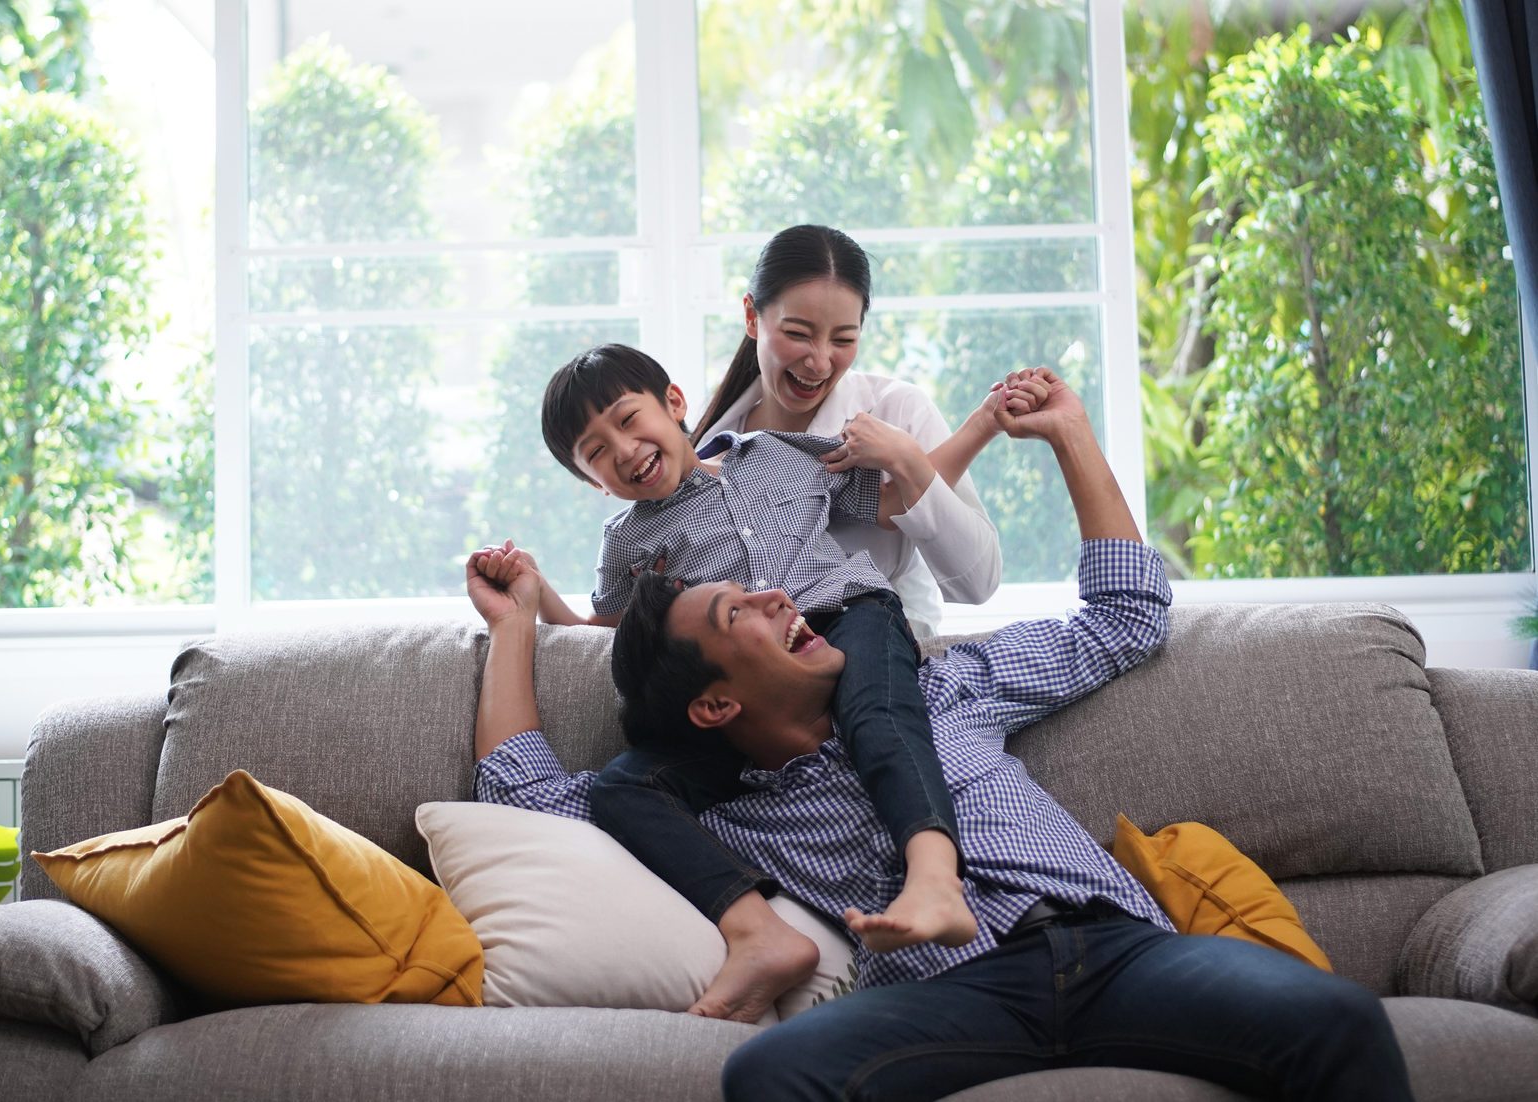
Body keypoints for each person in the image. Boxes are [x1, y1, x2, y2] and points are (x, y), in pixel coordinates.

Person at [465, 368, 1415, 1102]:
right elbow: (527, 792)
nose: (779, 593)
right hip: (952, 994)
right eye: (736, 613)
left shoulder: (944, 685)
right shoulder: (731, 811)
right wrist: (514, 628)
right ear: (713, 706)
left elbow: (1125, 617)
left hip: (1115, 949)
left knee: (1338, 1021)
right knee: (767, 1076)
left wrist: (1068, 437)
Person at [499, 343, 1041, 1022]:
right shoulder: (626, 545)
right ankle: (757, 934)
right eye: (597, 453)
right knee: (622, 784)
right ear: (593, 483)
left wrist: (984, 423)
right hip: (747, 686)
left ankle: (933, 879)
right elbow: (604, 635)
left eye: (628, 420)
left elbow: (901, 499)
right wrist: (535, 593)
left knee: (876, 715)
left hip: (846, 620)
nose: (624, 449)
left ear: (673, 404)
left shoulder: (777, 454)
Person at [695, 223, 1000, 641]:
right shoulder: (710, 446)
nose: (819, 363)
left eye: (843, 339)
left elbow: (977, 582)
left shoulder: (898, 409)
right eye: (797, 334)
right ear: (752, 317)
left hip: (884, 655)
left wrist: (906, 459)